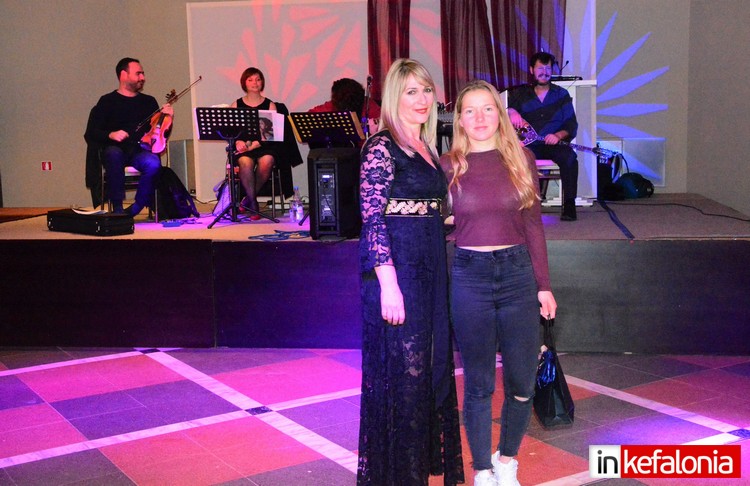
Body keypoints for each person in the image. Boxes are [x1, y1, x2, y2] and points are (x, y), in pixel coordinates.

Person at [440, 80, 558, 486]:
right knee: (478, 384)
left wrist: (544, 285)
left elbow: (533, 226)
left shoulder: (521, 158)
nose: (479, 118)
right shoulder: (447, 166)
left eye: (487, 108)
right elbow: (432, 223)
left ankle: (507, 459)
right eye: (470, 110)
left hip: (517, 275)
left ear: (500, 115)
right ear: (459, 119)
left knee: (522, 382)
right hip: (469, 276)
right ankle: (483, 470)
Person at [357, 59, 464, 485]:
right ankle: (400, 473)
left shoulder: (426, 146)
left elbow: (430, 210)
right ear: (393, 98)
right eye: (411, 91)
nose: (422, 100)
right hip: (399, 271)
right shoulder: (381, 147)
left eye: (426, 90)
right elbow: (372, 219)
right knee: (405, 371)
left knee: (429, 369)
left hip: (430, 267)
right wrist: (388, 284)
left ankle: (416, 463)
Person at [85, 57, 173, 216]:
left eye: (143, 74)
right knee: (113, 154)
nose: (143, 77)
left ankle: (137, 206)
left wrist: (168, 118)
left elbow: (159, 134)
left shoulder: (149, 101)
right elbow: (91, 133)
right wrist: (111, 134)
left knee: (153, 163)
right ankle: (118, 208)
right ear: (123, 75)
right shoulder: (107, 101)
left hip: (139, 151)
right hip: (115, 150)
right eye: (138, 73)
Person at [507, 51, 579, 221]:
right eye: (540, 68)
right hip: (529, 145)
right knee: (516, 158)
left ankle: (569, 205)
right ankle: (523, 205)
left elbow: (571, 124)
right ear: (532, 70)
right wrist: (511, 111)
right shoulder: (520, 94)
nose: (544, 72)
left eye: (548, 68)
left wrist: (558, 135)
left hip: (553, 144)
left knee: (570, 158)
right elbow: (505, 111)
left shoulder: (561, 94)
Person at [231, 67, 277, 219]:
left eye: (258, 79)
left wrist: (256, 144)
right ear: (244, 83)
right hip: (243, 148)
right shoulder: (236, 104)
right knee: (245, 162)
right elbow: (231, 131)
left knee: (267, 161)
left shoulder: (270, 105)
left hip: (263, 146)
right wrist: (238, 142)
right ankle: (253, 204)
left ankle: (248, 200)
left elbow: (271, 134)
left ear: (262, 82)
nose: (254, 83)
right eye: (250, 79)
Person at [309, 77, 380, 143]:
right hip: (337, 149)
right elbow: (310, 116)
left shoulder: (368, 105)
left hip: (363, 148)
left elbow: (381, 120)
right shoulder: (332, 105)